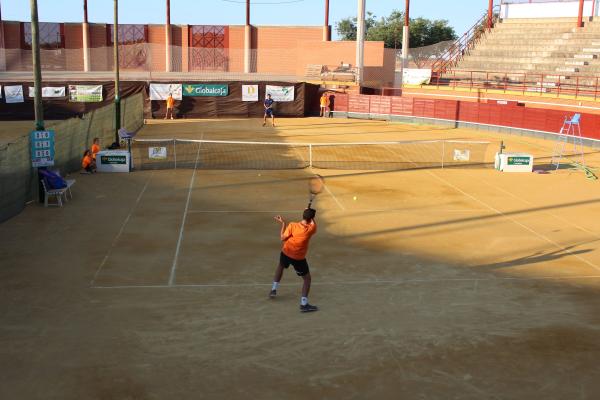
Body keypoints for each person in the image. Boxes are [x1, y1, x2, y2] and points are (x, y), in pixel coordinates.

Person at [269, 208, 318, 312]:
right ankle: (304, 304)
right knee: (307, 279)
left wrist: (283, 224)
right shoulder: (311, 229)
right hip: (298, 258)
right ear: (311, 219)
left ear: (303, 215)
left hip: (286, 252)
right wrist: (310, 215)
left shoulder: (292, 225)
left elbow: (283, 238)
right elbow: (313, 222)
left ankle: (273, 289)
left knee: (280, 267)